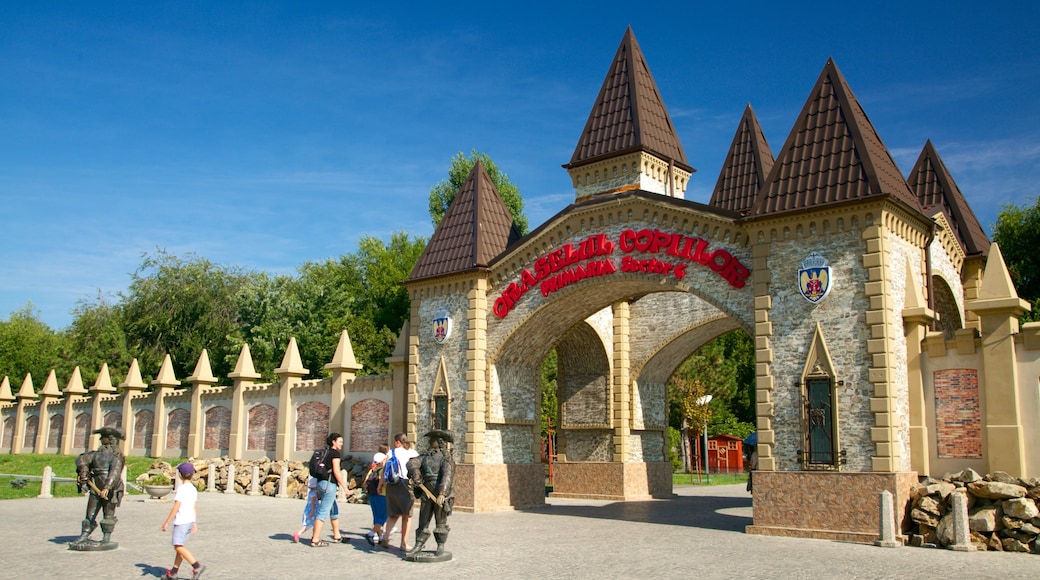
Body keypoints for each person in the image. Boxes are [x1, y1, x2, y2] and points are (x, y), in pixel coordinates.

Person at [72, 426, 126, 547]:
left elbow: (115, 472)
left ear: (111, 439)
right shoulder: (96, 454)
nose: (101, 439)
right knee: (90, 513)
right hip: (95, 486)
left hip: (111, 489)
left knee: (108, 514)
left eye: (104, 437)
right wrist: (84, 471)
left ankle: (106, 538)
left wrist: (107, 487)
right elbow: (82, 459)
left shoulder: (117, 456)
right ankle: (84, 534)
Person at [408, 429, 455, 557]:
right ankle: (419, 544)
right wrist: (416, 473)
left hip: (439, 493)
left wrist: (442, 493)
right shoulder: (425, 457)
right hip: (426, 492)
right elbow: (412, 463)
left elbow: (447, 476)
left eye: (432, 440)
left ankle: (440, 544)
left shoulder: (446, 459)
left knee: (441, 521)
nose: (430, 442)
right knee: (423, 520)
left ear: (439, 442)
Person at [161, 462, 205, 580]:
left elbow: (176, 507)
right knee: (181, 546)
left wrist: (166, 522)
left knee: (178, 546)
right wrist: (194, 522)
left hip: (181, 521)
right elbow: (194, 505)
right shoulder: (193, 489)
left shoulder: (182, 489)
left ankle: (196, 566)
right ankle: (174, 572)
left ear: (180, 475)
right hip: (189, 520)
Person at [379, 432, 419, 551]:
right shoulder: (412, 453)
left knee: (393, 513)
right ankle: (404, 543)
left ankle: (386, 536)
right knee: (407, 515)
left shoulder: (391, 452)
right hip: (407, 484)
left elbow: (384, 468)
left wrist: (380, 485)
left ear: (397, 442)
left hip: (393, 485)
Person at [310, 432, 348, 547]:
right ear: (334, 442)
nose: (342, 444)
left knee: (334, 510)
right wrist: (344, 487)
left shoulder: (325, 452)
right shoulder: (335, 453)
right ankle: (315, 539)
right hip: (329, 485)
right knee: (323, 512)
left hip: (321, 483)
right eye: (340, 441)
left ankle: (337, 536)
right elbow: (336, 471)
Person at [364, 444, 390, 545]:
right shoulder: (383, 471)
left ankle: (381, 537)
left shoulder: (372, 470)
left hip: (372, 496)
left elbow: (365, 483)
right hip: (382, 495)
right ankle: (371, 533)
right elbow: (385, 482)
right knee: (383, 517)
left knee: (376, 517)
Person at [293, 477, 319, 543]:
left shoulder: (310, 492)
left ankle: (314, 536)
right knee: (310, 524)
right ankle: (299, 533)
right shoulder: (314, 494)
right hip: (312, 509)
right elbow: (313, 503)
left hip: (308, 508)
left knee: (313, 523)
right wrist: (312, 511)